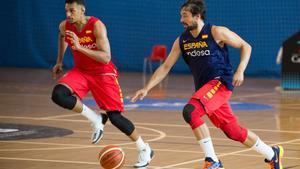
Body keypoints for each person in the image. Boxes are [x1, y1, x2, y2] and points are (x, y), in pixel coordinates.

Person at [131, 0, 283, 168]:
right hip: (205, 89)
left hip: (220, 82)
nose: (181, 20)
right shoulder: (182, 40)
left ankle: (212, 160)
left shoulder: (216, 31)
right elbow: (166, 66)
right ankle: (272, 154)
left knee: (191, 111)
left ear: (197, 16)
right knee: (233, 132)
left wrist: (240, 70)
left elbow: (245, 46)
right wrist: (147, 88)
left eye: (185, 16)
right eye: (181, 15)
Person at [51, 0, 153, 167]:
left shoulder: (97, 25)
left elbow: (106, 57)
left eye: (72, 11)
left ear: (82, 9)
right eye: (66, 11)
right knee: (58, 94)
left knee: (115, 117)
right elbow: (62, 36)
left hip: (103, 72)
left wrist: (79, 47)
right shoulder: (65, 25)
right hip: (82, 71)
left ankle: (144, 149)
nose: (68, 15)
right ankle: (96, 119)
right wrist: (59, 61)